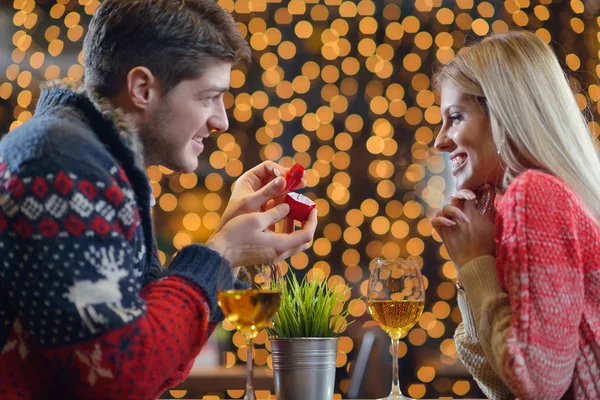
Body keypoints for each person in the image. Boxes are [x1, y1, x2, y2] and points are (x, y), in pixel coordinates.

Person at [0, 0, 317, 399]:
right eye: (208, 97)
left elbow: (156, 356)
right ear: (142, 88)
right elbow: (124, 377)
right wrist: (220, 256)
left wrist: (226, 238)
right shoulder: (63, 167)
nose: (222, 120)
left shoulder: (91, 158)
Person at [431, 31, 600, 400]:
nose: (439, 141)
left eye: (455, 117)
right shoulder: (527, 203)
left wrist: (475, 264)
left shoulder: (536, 195)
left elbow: (537, 384)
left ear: (505, 112)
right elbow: (501, 383)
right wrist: (474, 265)